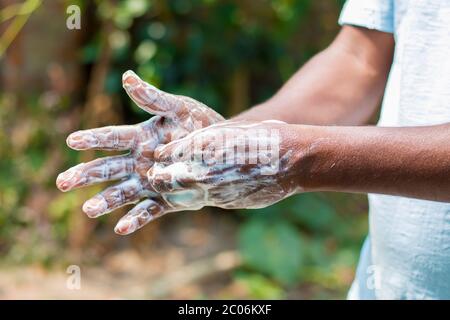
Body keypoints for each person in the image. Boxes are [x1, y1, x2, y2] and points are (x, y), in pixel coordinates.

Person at [56, 0, 450, 299]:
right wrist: (228, 137)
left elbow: (295, 155)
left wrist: (297, 159)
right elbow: (360, 58)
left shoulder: (297, 160)